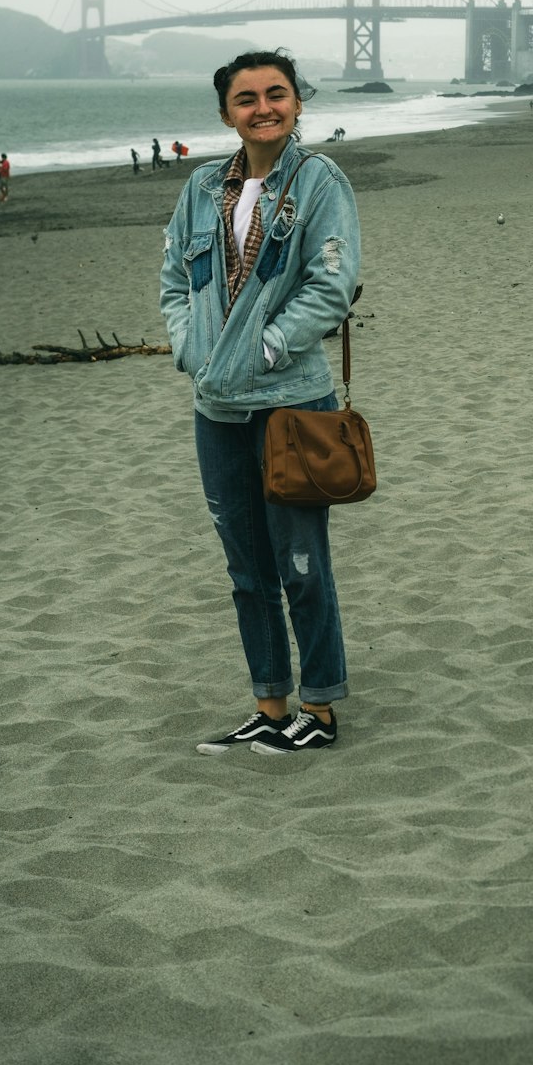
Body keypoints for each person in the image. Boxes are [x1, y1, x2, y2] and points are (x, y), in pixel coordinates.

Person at [160, 50, 360, 757]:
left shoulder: (320, 182)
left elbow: (331, 287)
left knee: (301, 562)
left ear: (298, 104)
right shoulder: (201, 187)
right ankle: (269, 705)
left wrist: (265, 349)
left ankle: (321, 708)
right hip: (215, 409)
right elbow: (174, 284)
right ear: (226, 114)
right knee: (246, 568)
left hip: (292, 406)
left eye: (277, 94)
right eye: (246, 99)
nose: (263, 107)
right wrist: (192, 350)